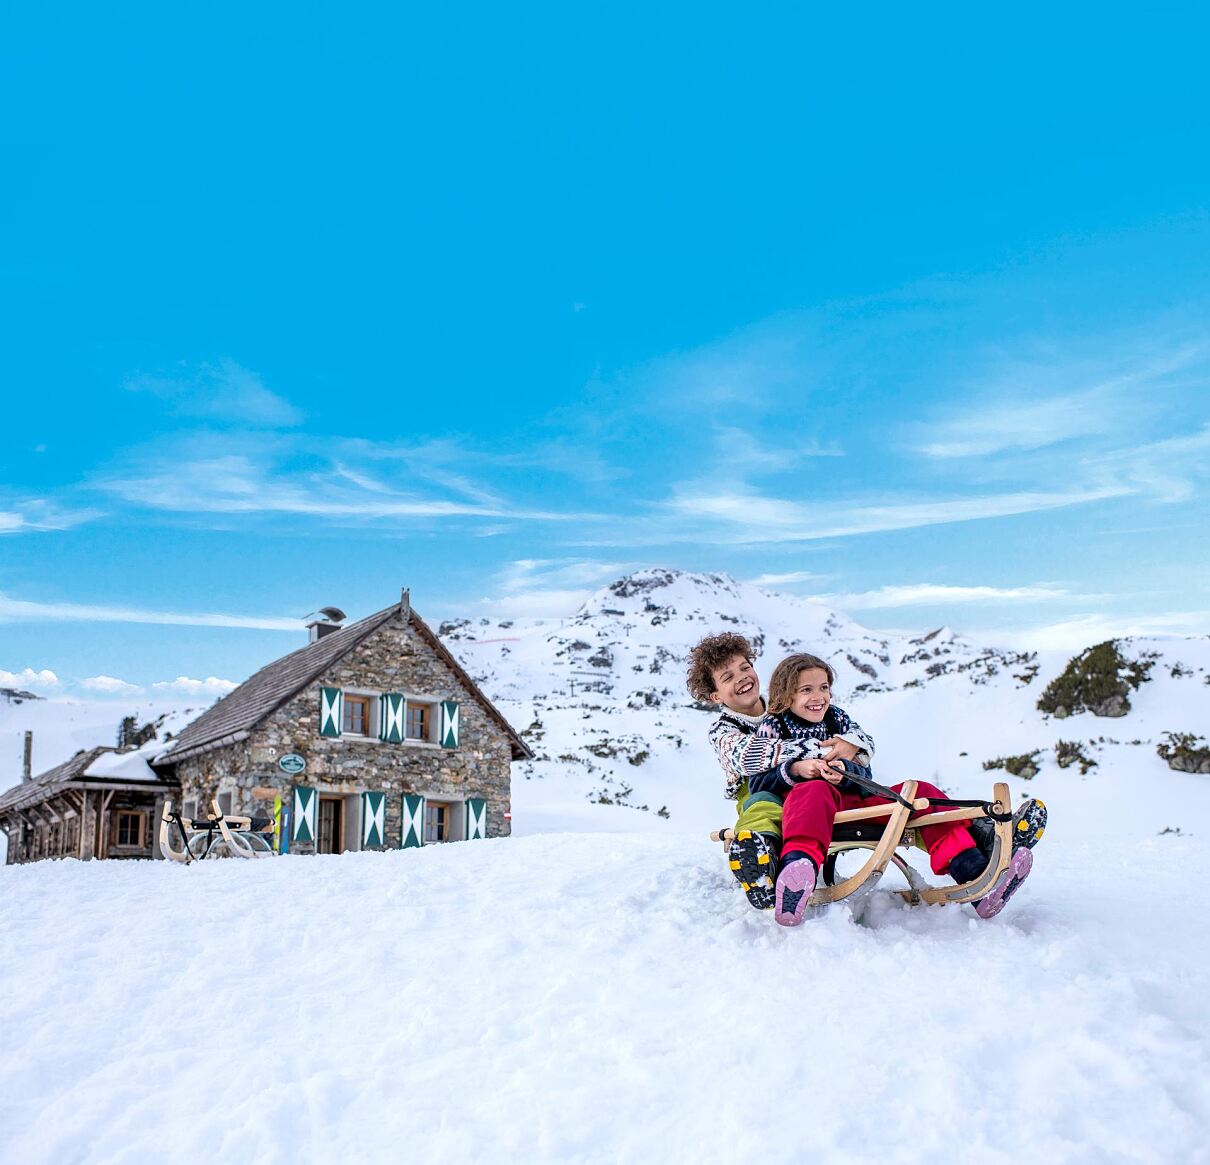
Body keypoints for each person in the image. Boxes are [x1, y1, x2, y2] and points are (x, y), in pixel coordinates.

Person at [758, 652, 1037, 926]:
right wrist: (796, 770)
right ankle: (796, 874)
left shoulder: (837, 720)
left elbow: (864, 770)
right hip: (811, 810)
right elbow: (758, 781)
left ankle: (976, 875)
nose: (818, 697)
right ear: (787, 694)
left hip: (856, 800)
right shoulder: (774, 726)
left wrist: (846, 772)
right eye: (806, 690)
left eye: (824, 688)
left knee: (921, 792)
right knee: (814, 790)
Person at [685, 632, 875, 909]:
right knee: (764, 809)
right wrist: (829, 749)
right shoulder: (723, 730)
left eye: (745, 667)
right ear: (715, 695)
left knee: (815, 800)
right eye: (728, 677)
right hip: (759, 789)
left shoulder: (786, 703)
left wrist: (854, 745)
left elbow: (859, 737)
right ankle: (759, 859)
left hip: (809, 785)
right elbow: (752, 755)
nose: (741, 678)